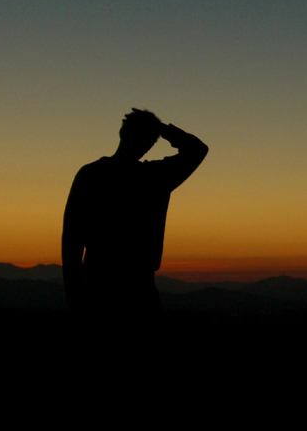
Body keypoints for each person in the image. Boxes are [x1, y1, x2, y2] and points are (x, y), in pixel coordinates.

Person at [61, 108, 208, 329]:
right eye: (147, 137)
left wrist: (75, 296)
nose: (146, 143)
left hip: (109, 286)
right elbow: (196, 149)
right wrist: (162, 129)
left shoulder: (92, 175)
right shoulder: (153, 177)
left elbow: (72, 241)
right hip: (126, 289)